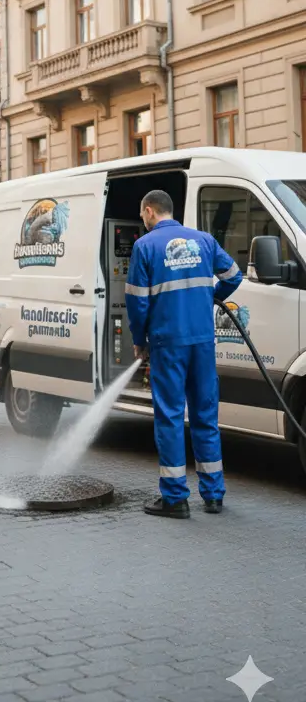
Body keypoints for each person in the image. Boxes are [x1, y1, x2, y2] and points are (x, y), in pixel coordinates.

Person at [125, 189, 243, 518]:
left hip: (167, 343)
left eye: (141, 215)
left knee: (171, 417)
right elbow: (234, 275)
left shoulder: (144, 246)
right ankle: (214, 494)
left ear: (149, 211)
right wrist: (210, 297)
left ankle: (175, 498)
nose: (142, 220)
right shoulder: (204, 241)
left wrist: (139, 339)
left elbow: (137, 301)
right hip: (203, 342)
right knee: (205, 416)